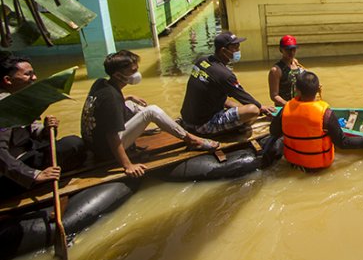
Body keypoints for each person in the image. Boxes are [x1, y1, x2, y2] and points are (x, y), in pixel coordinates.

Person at [80, 50, 218, 177]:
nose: (137, 73)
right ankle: (193, 140)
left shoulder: (101, 83)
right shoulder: (112, 98)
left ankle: (165, 125)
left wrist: (127, 97)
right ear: (117, 75)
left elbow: (106, 105)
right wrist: (128, 165)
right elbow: (112, 136)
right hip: (106, 150)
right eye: (133, 71)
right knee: (151, 111)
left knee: (132, 105)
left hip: (94, 143)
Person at [0, 56, 85, 197]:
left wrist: (46, 128)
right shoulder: (4, 107)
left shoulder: (19, 99)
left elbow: (35, 132)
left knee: (74, 144)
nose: (35, 77)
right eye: (28, 74)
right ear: (8, 80)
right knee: (72, 144)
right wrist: (34, 175)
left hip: (28, 153)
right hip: (10, 170)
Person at [266, 71, 363, 171]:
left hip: (293, 164)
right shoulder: (326, 114)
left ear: (297, 90)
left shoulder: (285, 110)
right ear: (317, 90)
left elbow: (274, 131)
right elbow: (343, 143)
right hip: (319, 169)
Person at [181, 32, 274, 135]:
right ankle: (235, 129)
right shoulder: (225, 75)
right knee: (253, 110)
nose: (238, 51)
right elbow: (243, 96)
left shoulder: (202, 61)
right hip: (202, 125)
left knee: (234, 104)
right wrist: (261, 107)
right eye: (235, 48)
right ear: (223, 51)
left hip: (187, 119)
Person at [268, 35, 304, 107]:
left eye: (293, 49)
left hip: (299, 105)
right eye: (288, 49)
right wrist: (289, 105)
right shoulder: (275, 71)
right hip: (285, 108)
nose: (291, 52)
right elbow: (274, 96)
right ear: (281, 50)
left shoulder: (296, 63)